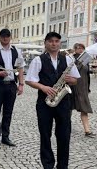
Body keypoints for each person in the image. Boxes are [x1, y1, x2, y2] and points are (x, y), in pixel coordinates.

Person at [25, 32, 80, 169]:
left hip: (64, 102)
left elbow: (75, 80)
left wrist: (70, 80)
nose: (54, 44)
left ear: (59, 43)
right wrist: (43, 87)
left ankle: (62, 165)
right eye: (51, 41)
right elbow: (29, 80)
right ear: (45, 43)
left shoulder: (67, 59)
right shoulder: (38, 60)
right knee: (45, 134)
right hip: (45, 102)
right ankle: (48, 164)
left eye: (56, 41)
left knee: (64, 135)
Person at [71, 43, 95, 138]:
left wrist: (88, 87)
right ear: (75, 49)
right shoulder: (72, 58)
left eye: (82, 48)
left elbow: (87, 74)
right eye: (78, 48)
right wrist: (81, 60)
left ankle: (87, 131)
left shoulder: (85, 58)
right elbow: (74, 70)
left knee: (84, 109)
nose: (80, 49)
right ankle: (65, 127)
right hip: (74, 86)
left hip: (83, 87)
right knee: (69, 108)